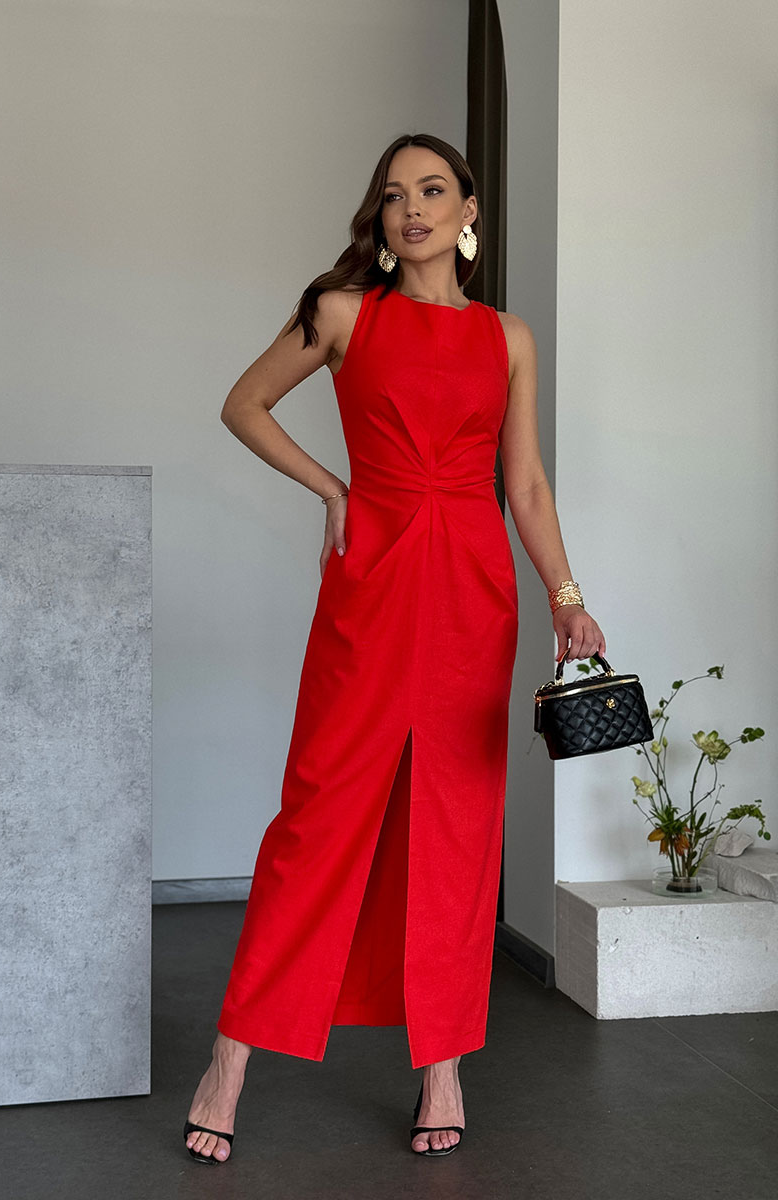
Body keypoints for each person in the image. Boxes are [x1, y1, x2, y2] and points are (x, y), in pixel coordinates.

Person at [183, 132, 605, 1164]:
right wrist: (331, 487)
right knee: (317, 817)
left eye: (432, 190)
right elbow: (242, 404)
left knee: (455, 827)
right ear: (377, 218)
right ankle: (229, 1061)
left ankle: (442, 1067)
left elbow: (524, 484)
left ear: (468, 213)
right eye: (392, 195)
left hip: (472, 596)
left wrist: (565, 596)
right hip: (370, 585)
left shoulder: (507, 337)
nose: (410, 208)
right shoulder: (343, 313)